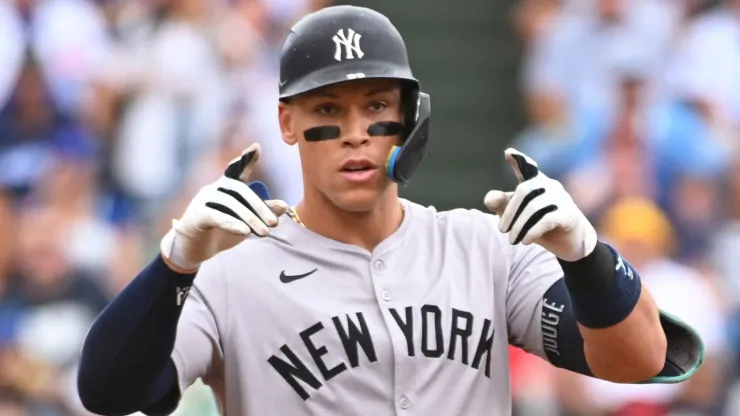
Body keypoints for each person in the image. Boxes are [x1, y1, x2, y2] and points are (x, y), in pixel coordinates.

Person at [76, 5, 703, 416]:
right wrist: (175, 263)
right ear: (286, 123)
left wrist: (587, 258)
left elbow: (637, 359)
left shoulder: (485, 249)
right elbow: (111, 391)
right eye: (328, 111)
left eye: (377, 107)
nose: (356, 133)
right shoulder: (228, 276)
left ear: (410, 118)